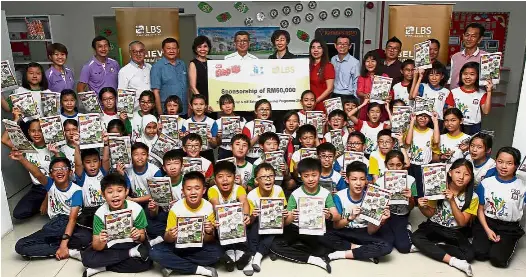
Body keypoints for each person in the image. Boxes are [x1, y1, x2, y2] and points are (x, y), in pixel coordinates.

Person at [11, 154, 91, 260]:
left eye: (63, 168)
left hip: (70, 223)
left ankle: (63, 246)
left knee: (86, 238)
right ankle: (67, 248)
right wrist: (22, 159)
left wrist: (63, 244)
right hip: (55, 225)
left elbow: (72, 219)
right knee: (20, 246)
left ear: (70, 172)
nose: (59, 171)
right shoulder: (50, 184)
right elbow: (37, 174)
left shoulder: (76, 191)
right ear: (51, 175)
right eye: (55, 169)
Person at [269, 158, 339, 272]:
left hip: (315, 229)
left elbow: (337, 216)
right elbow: (286, 222)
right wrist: (292, 216)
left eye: (314, 175)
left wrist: (329, 216)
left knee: (327, 247)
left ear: (320, 174)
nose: (310, 179)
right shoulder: (295, 194)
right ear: (301, 176)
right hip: (296, 228)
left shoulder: (325, 193)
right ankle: (313, 259)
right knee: (274, 245)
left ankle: (298, 248)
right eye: (306, 176)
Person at [411, 158, 478, 276]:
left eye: (466, 174)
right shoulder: (438, 187)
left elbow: (462, 223)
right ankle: (454, 262)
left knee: (469, 255)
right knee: (415, 238)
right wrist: (422, 207)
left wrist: (452, 200)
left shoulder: (473, 197)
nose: (461, 177)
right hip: (434, 225)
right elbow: (430, 214)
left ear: (471, 177)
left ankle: (430, 247)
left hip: (454, 231)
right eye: (457, 172)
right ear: (450, 172)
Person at [149, 171, 222, 277]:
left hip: (199, 246)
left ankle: (173, 264)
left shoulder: (208, 207)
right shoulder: (176, 208)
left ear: (204, 190)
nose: (193, 192)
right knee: (154, 252)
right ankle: (198, 269)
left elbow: (209, 239)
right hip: (178, 247)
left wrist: (209, 232)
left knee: (217, 252)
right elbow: (167, 239)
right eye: (188, 189)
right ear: (183, 191)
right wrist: (170, 235)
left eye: (197, 188)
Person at [81, 173, 152, 277]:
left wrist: (138, 236)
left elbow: (142, 236)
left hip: (132, 243)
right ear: (103, 195)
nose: (115, 195)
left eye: (119, 191)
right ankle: (130, 253)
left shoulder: (136, 209)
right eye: (110, 192)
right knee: (87, 258)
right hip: (111, 247)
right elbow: (96, 245)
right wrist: (101, 241)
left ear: (126, 191)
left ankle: (103, 266)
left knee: (147, 262)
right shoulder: (100, 213)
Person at [322, 161, 392, 262]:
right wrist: (350, 218)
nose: (358, 183)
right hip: (344, 231)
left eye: (362, 179)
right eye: (354, 179)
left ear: (366, 180)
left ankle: (341, 254)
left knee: (387, 246)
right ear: (347, 179)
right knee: (322, 235)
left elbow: (370, 231)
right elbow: (336, 226)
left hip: (363, 232)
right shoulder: (339, 196)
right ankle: (362, 250)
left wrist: (380, 220)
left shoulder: (372, 198)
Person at [473, 147, 525, 268]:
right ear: (495, 161)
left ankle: (509, 240)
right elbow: (480, 210)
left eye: (509, 163)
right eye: (500, 162)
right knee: (479, 254)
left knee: (498, 261)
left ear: (516, 165)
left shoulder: (522, 187)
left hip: (508, 227)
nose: (503, 166)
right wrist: (487, 229)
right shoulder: (486, 183)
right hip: (487, 222)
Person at [2, 118, 63, 219]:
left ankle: (48, 203)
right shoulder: (26, 147)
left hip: (53, 187)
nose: (36, 134)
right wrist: (16, 120)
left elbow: (58, 178)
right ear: (29, 132)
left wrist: (46, 200)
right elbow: (4, 140)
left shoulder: (52, 149)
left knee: (56, 213)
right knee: (18, 213)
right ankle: (41, 205)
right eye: (33, 131)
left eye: (40, 131)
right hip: (37, 188)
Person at [207, 161, 252, 272]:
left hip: (237, 224)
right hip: (220, 224)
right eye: (220, 177)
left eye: (229, 176)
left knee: (245, 224)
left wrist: (246, 215)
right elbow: (215, 204)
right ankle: (229, 253)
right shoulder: (213, 189)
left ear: (234, 177)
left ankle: (241, 252)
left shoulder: (239, 188)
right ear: (215, 180)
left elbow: (244, 202)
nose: (225, 179)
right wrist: (223, 217)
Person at [246, 163, 288, 275]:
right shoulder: (251, 195)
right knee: (254, 229)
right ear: (256, 180)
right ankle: (251, 257)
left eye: (271, 176)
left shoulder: (278, 189)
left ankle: (258, 256)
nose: (268, 179)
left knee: (275, 228)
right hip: (257, 224)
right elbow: (249, 222)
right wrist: (253, 215)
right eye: (264, 177)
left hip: (274, 223)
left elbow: (283, 209)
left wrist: (284, 213)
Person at [376, 150, 417, 254]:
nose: (395, 168)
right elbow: (376, 207)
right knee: (387, 243)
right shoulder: (379, 182)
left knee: (404, 248)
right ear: (386, 165)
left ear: (403, 165)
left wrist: (410, 197)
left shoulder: (411, 180)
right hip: (385, 216)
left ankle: (407, 228)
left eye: (398, 165)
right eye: (391, 165)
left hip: (401, 215)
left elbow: (412, 207)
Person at [148, 149, 185, 246]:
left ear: (182, 166)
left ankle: (165, 237)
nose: (172, 167)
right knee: (149, 224)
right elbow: (154, 214)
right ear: (164, 168)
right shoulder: (159, 183)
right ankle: (166, 236)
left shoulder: (187, 182)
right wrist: (153, 208)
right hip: (166, 215)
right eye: (168, 164)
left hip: (183, 216)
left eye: (176, 163)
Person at [74, 143, 111, 228]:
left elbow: (105, 159)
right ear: (83, 164)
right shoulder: (82, 177)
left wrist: (105, 144)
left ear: (99, 162)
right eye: (88, 162)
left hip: (105, 208)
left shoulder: (103, 172)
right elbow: (78, 164)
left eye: (95, 161)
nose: (92, 165)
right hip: (89, 212)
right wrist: (76, 146)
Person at [450, 62, 492, 135]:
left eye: (472, 74)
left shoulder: (482, 94)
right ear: (461, 75)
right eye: (465, 74)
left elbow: (486, 111)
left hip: (474, 127)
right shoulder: (454, 92)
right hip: (457, 125)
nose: (467, 77)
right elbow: (449, 112)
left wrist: (489, 92)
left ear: (478, 76)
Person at [405, 112, 440, 196]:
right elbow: (408, 141)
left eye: (426, 116)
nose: (422, 118)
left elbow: (436, 141)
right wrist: (412, 121)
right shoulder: (411, 129)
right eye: (420, 116)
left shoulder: (432, 131)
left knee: (422, 189)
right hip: (412, 165)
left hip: (425, 166)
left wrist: (435, 122)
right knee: (412, 188)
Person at [411, 62, 454, 129]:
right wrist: (420, 77)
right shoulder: (423, 86)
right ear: (428, 76)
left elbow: (448, 110)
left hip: (438, 121)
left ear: (442, 76)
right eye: (431, 75)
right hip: (422, 120)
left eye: (437, 75)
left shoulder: (446, 92)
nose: (434, 78)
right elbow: (413, 96)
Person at [151, 37, 188, 115]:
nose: (171, 51)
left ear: (178, 50)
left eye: (174, 48)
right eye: (168, 48)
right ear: (163, 51)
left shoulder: (182, 64)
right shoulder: (157, 67)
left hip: (183, 110)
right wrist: (160, 114)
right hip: (167, 112)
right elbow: (156, 92)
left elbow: (186, 87)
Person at [268, 29, 295, 130]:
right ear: (274, 42)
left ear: (287, 41)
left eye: (282, 40)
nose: (280, 43)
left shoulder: (293, 59)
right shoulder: (270, 59)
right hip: (274, 98)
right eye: (277, 40)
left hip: (288, 99)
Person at [181, 94, 219, 164]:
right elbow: (183, 144)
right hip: (190, 154)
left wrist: (211, 140)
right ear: (191, 106)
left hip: (207, 153)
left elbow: (214, 146)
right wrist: (183, 138)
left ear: (205, 106)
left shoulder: (212, 122)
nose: (198, 107)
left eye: (201, 104)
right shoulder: (186, 123)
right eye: (195, 104)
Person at [449, 23, 487, 89]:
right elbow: (451, 78)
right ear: (463, 36)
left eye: (473, 36)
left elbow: (490, 83)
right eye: (467, 35)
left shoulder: (486, 58)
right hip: (454, 96)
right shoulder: (455, 57)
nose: (469, 39)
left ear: (480, 39)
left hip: (475, 97)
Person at [356, 51, 391, 122]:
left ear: (377, 62)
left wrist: (389, 96)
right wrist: (365, 95)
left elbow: (389, 92)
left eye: (373, 61)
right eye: (367, 61)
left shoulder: (384, 76)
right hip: (366, 108)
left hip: (380, 109)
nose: (370, 64)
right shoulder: (362, 77)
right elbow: (359, 92)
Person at [118, 41, 152, 113]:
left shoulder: (150, 67)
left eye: (141, 51)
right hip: (135, 112)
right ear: (130, 53)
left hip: (151, 111)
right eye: (134, 52)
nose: (138, 54)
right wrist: (122, 113)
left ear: (145, 52)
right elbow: (121, 94)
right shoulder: (124, 71)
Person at [242, 99, 276, 164]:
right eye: (262, 109)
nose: (265, 111)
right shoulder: (248, 125)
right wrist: (258, 135)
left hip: (266, 158)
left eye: (267, 109)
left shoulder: (272, 127)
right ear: (256, 111)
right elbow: (245, 146)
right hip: (250, 158)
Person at [215, 94, 247, 160]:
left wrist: (242, 134)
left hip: (239, 151)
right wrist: (219, 137)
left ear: (233, 105)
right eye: (224, 104)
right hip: (224, 151)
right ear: (221, 107)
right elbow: (216, 144)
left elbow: (247, 140)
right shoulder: (217, 122)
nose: (227, 106)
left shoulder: (242, 120)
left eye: (229, 103)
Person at [188, 36, 213, 115]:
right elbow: (192, 87)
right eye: (199, 47)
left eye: (205, 46)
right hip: (200, 103)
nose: (202, 49)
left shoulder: (213, 63)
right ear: (195, 49)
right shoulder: (193, 63)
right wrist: (203, 104)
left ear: (209, 48)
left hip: (213, 101)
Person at [309, 39, 335, 111]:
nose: (315, 50)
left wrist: (316, 101)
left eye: (319, 48)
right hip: (308, 104)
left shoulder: (328, 66)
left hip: (321, 104)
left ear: (323, 50)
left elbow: (330, 89)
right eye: (313, 47)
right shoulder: (308, 66)